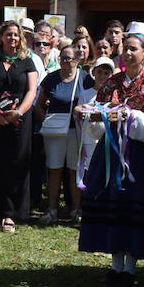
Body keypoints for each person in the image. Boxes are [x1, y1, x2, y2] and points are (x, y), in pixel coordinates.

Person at [78, 24, 144, 285]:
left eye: (133, 49)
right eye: (125, 49)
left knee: (132, 203)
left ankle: (132, 267)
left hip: (138, 154)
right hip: (111, 150)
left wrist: (132, 117)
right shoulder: (113, 81)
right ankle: (116, 265)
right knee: (111, 201)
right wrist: (89, 111)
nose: (127, 53)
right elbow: (99, 109)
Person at [0, 20, 39, 233]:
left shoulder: (27, 62)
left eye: (16, 35)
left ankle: (11, 214)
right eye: (9, 34)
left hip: (20, 122)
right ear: (1, 37)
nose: (12, 38)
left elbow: (32, 90)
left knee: (16, 165)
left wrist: (18, 112)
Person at [37, 38, 95, 225]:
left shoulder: (85, 78)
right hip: (54, 131)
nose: (64, 61)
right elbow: (38, 104)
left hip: (76, 131)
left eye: (68, 59)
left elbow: (92, 99)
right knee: (54, 170)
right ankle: (52, 209)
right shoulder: (51, 78)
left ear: (77, 60)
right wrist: (44, 121)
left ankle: (76, 210)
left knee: (74, 171)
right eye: (62, 57)